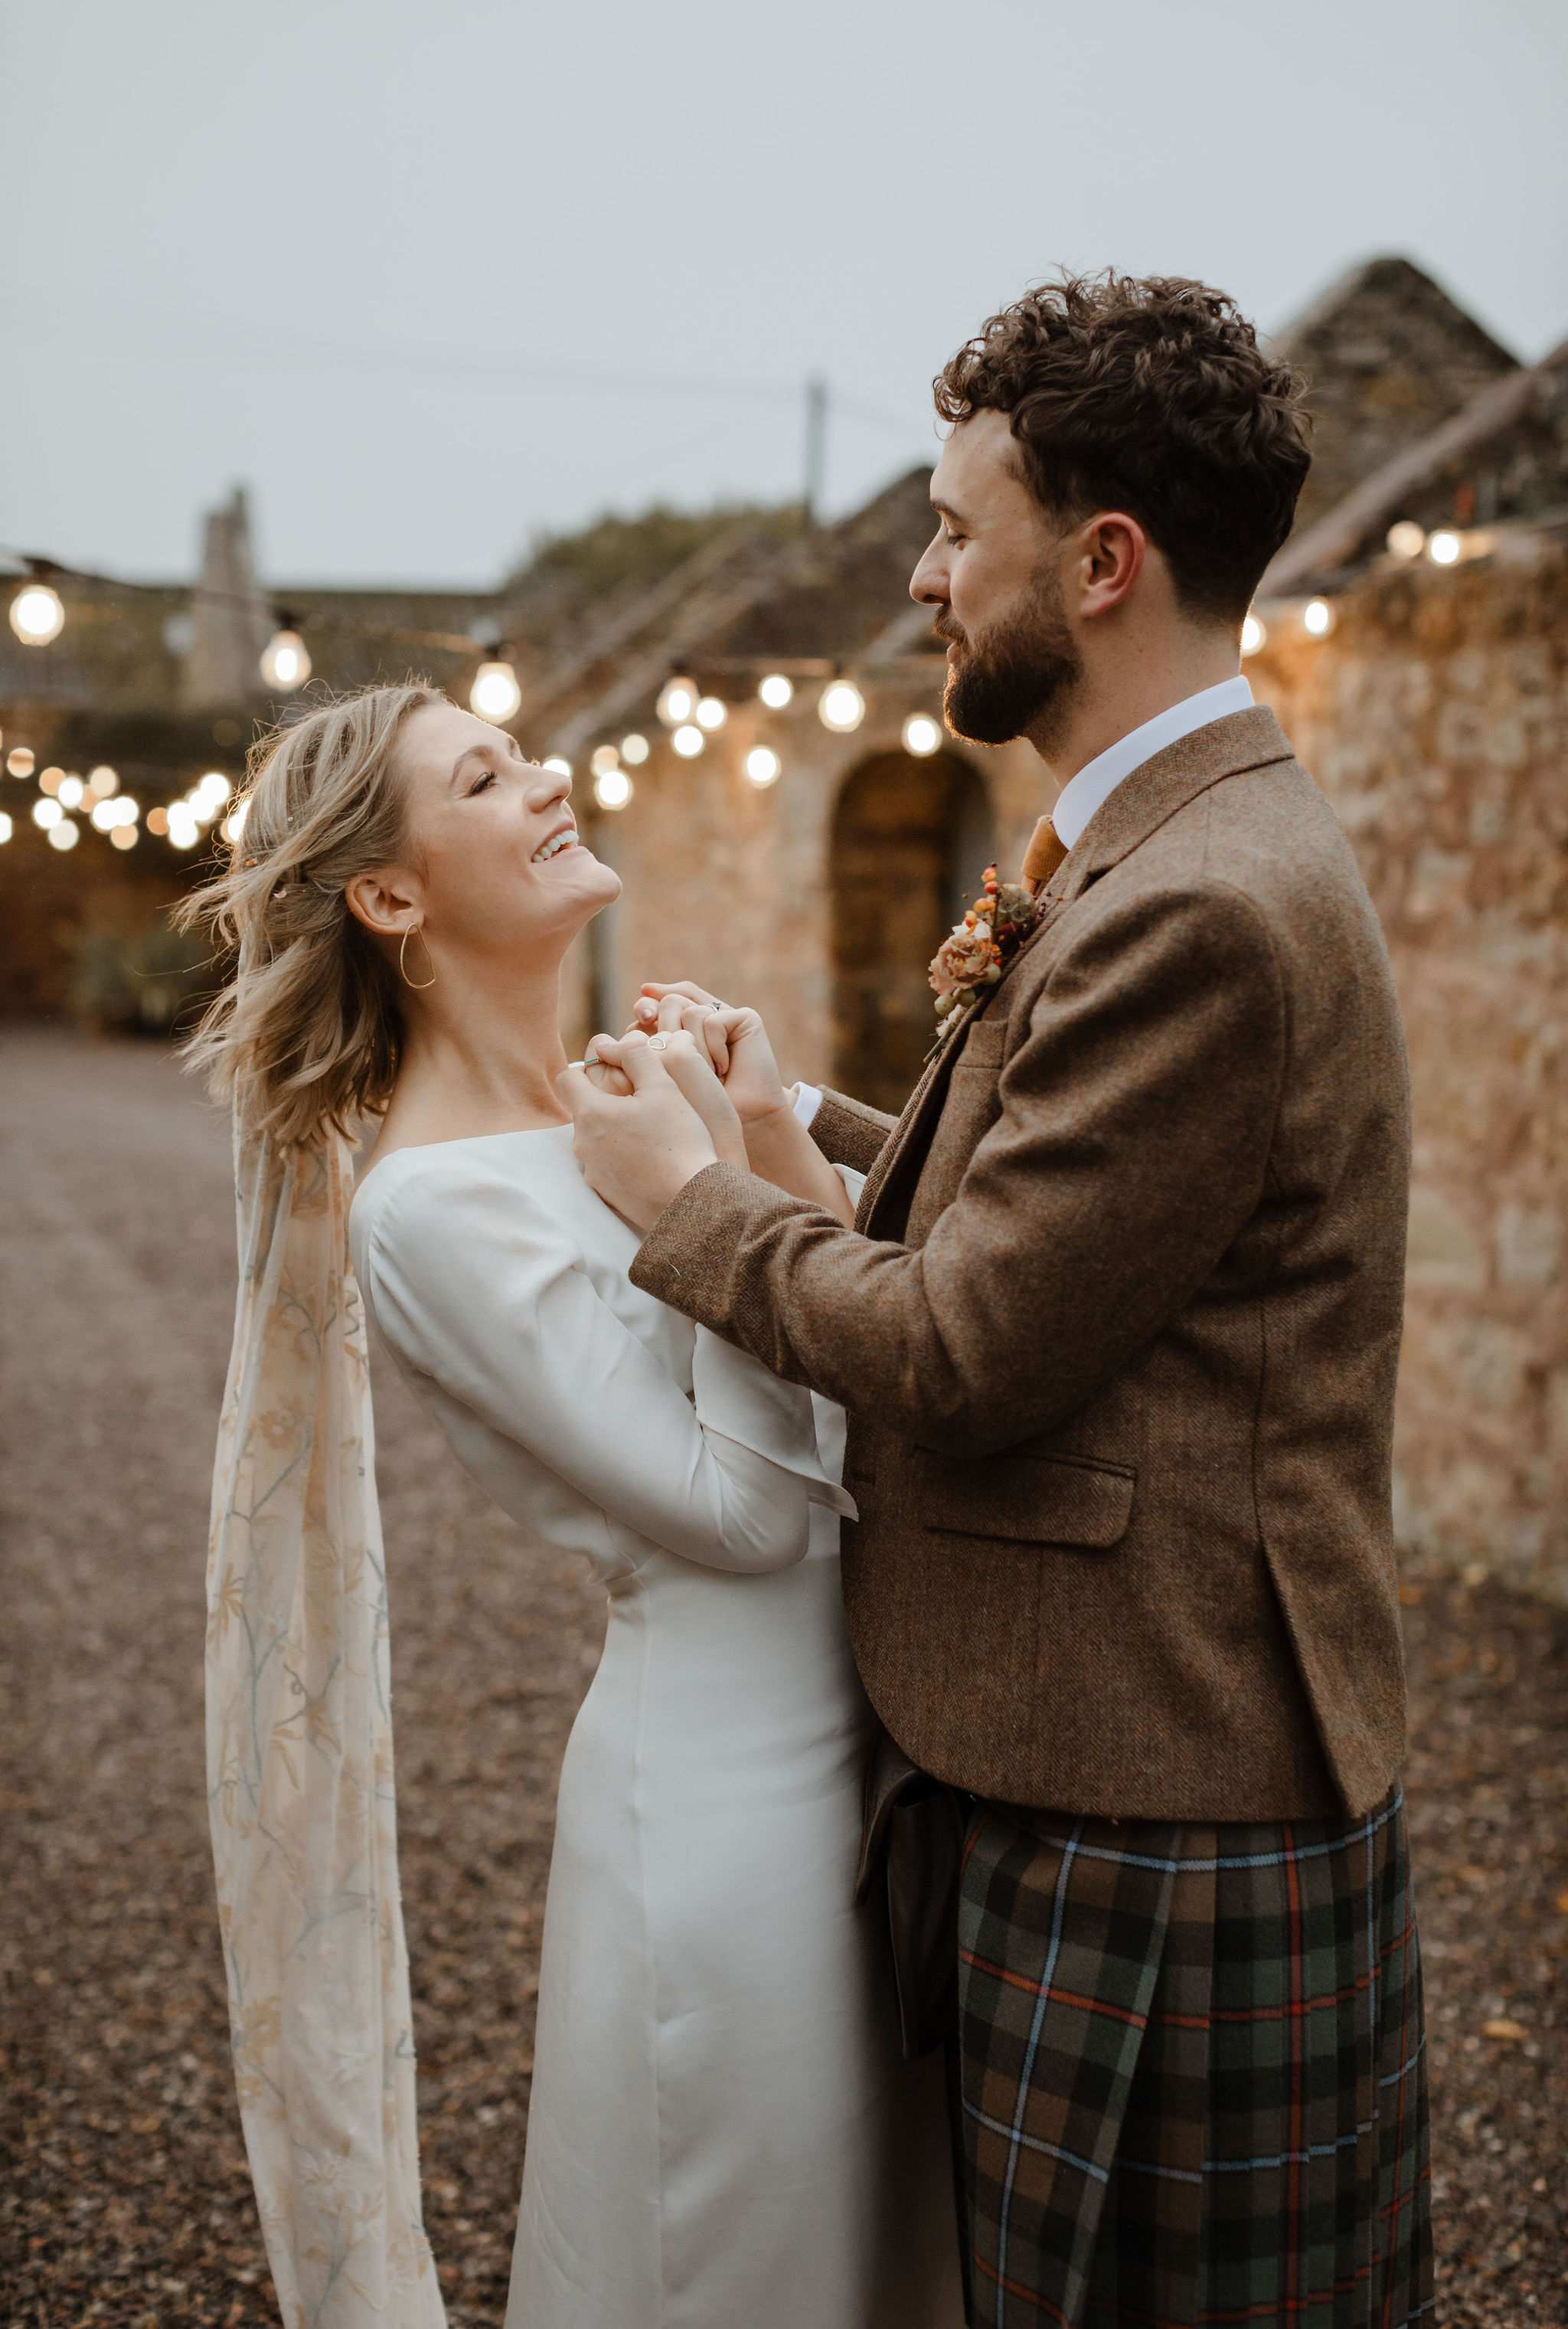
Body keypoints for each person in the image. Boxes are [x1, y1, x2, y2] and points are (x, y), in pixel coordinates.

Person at [565, 273, 1435, 2329]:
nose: (919, 578)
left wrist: (686, 1203)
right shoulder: (1158, 842)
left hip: (1157, 1794)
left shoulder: (1204, 905)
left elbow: (966, 1347)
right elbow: (1061, 1214)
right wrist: (804, 1113)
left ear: (1104, 560)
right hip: (1089, 1758)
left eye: (960, 529)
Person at [179, 683, 962, 2329]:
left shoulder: (604, 1113)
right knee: (742, 2274)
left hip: (874, 1766)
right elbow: (743, 1519)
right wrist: (705, 1190)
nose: (548, 780)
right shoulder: (431, 1207)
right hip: (723, 1818)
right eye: (485, 775)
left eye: (525, 751)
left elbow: (866, 1374)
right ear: (390, 896)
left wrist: (752, 1133)